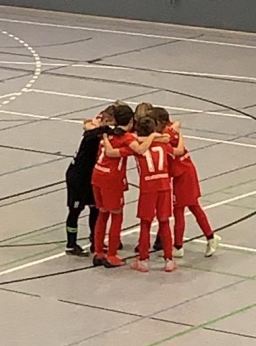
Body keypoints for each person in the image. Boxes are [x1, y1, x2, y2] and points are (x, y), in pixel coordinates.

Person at [105, 115, 184, 274]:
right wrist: (179, 136)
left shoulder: (138, 147)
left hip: (148, 187)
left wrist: (106, 138)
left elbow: (114, 152)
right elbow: (179, 151)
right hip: (164, 185)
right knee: (164, 222)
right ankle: (169, 260)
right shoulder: (163, 144)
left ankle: (143, 260)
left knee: (145, 223)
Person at [151, 106, 221, 258]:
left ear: (159, 122)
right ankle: (208, 237)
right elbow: (177, 124)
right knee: (192, 207)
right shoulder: (169, 129)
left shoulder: (165, 137)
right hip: (185, 172)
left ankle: (181, 245)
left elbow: (176, 149)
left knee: (180, 209)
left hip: (183, 174)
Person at [91, 103, 139, 268]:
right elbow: (139, 148)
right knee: (117, 215)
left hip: (97, 175)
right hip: (111, 179)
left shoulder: (107, 133)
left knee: (102, 213)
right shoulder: (127, 138)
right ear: (131, 121)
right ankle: (111, 255)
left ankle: (98, 252)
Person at [65, 105, 116, 256]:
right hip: (77, 177)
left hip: (90, 177)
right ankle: (71, 244)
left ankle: (95, 241)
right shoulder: (93, 135)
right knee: (75, 210)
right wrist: (107, 129)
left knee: (95, 208)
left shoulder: (98, 127)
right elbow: (92, 130)